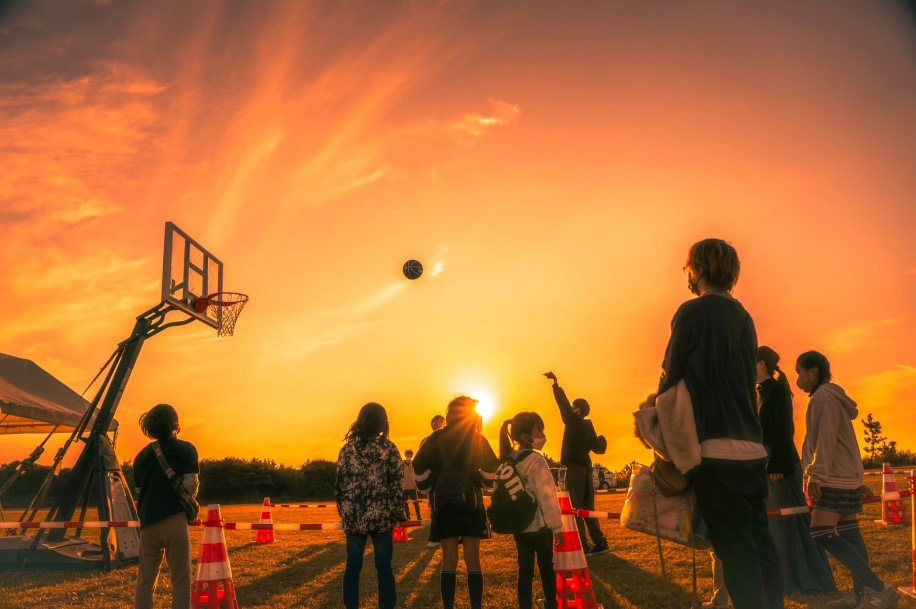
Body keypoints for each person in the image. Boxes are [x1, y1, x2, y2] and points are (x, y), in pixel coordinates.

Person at [657, 238, 782, 609]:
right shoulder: (745, 316)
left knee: (736, 551)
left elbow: (670, 377)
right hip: (752, 449)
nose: (687, 276)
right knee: (760, 544)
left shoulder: (691, 312)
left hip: (713, 450)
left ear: (697, 269)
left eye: (687, 268)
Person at [797, 351, 899, 609]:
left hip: (833, 476)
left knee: (820, 532)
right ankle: (861, 594)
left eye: (800, 372)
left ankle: (878, 588)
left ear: (813, 372)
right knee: (850, 534)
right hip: (844, 475)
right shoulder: (831, 398)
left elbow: (826, 439)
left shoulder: (823, 398)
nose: (798, 379)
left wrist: (815, 474)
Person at [758, 346, 835, 596]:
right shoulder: (762, 391)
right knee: (777, 527)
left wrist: (777, 466)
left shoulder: (777, 390)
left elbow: (783, 430)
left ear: (760, 364)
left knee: (791, 524)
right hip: (767, 463)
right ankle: (784, 578)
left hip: (779, 466)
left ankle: (806, 578)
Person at [413, 396, 499, 609]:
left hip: (444, 504)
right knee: (473, 561)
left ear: (450, 414)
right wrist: (478, 480)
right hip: (471, 503)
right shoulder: (477, 438)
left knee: (448, 561)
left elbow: (418, 467)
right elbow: (492, 471)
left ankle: (449, 607)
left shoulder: (435, 438)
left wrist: (431, 485)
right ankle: (476, 606)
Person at [335, 402, 404, 609]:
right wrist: (396, 512)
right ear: (383, 422)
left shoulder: (347, 450)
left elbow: (338, 484)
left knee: (352, 567)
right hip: (382, 516)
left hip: (354, 516)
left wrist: (344, 511)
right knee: (384, 568)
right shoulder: (389, 449)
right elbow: (397, 484)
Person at [133, 404, 199, 609]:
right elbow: (190, 485)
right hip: (174, 518)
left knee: (145, 579)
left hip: (147, 523)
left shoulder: (140, 457)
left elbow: (138, 491)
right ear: (174, 423)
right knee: (180, 578)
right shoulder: (186, 449)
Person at [498, 412, 564, 609]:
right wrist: (557, 526)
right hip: (540, 526)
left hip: (520, 526)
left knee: (524, 571)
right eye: (539, 430)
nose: (543, 434)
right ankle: (552, 604)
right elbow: (548, 496)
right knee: (546, 569)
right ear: (527, 436)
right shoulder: (537, 461)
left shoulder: (508, 461)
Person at [543, 371, 609, 555]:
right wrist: (603, 439)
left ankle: (584, 547)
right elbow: (599, 448)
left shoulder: (572, 420)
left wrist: (556, 385)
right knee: (589, 509)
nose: (570, 408)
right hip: (587, 470)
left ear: (577, 410)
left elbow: (562, 404)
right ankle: (601, 543)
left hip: (576, 470)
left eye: (573, 406)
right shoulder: (588, 426)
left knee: (576, 508)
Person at [423, 414, 447, 549]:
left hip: (449, 478)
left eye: (440, 422)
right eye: (434, 422)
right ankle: (435, 537)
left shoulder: (451, 438)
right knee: (435, 509)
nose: (437, 424)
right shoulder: (427, 440)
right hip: (434, 479)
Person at [402, 449, 422, 520]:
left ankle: (419, 517)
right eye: (407, 455)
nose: (408, 456)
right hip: (404, 488)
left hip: (413, 487)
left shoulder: (414, 464)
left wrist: (417, 486)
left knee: (416, 503)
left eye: (410, 455)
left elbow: (415, 475)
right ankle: (408, 517)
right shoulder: (401, 464)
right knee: (405, 504)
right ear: (405, 455)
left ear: (411, 456)